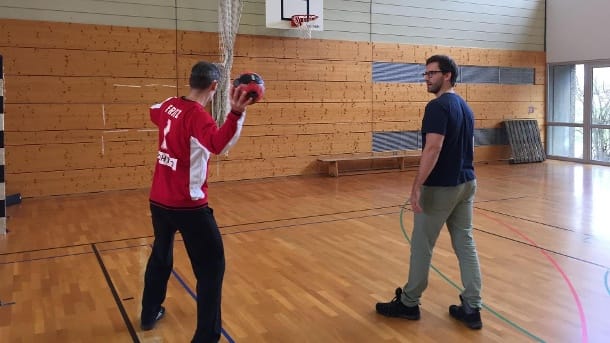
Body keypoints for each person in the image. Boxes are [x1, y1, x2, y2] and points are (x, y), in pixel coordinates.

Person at [140, 61, 254, 342]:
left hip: (159, 201)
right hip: (188, 206)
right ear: (214, 87)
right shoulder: (198, 117)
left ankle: (148, 312)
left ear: (190, 81)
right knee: (212, 268)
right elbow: (218, 145)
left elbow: (153, 110)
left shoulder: (167, 105)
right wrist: (236, 112)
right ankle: (206, 337)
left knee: (161, 256)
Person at [375, 55, 483, 330]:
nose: (426, 78)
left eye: (431, 73)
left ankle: (409, 303)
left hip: (440, 188)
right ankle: (472, 306)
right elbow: (469, 148)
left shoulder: (437, 107)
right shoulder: (465, 107)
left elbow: (432, 149)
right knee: (465, 243)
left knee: (422, 246)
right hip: (466, 183)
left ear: (447, 75)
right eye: (425, 74)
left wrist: (416, 187)